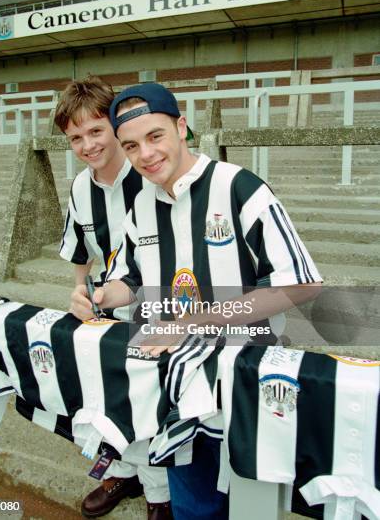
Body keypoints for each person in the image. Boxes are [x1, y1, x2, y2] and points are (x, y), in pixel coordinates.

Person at [70, 82, 323, 520]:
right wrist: (99, 294)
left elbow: (301, 284)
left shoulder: (239, 187)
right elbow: (132, 280)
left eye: (155, 137)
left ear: (181, 127)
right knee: (193, 507)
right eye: (131, 146)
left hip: (243, 384)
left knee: (248, 507)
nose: (145, 155)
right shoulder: (142, 206)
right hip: (176, 388)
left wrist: (190, 323)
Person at [54, 76, 172, 520]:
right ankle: (122, 471)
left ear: (115, 125)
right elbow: (81, 250)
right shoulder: (81, 188)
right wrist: (79, 291)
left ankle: (160, 494)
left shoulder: (147, 172)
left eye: (96, 130)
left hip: (155, 303)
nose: (87, 144)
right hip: (107, 302)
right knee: (104, 390)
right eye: (76, 137)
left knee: (149, 397)